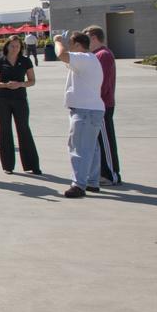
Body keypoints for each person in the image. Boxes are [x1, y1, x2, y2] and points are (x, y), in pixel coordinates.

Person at [55, 30, 106, 198]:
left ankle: (79, 184)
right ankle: (92, 181)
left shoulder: (84, 58)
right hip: (92, 110)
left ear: (78, 45)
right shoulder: (90, 60)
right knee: (91, 148)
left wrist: (57, 40)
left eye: (71, 44)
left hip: (85, 111)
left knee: (79, 147)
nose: (69, 47)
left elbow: (61, 54)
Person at [0, 35, 41, 175]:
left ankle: (32, 165)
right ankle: (8, 165)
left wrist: (21, 84)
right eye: (12, 46)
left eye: (17, 46)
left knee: (24, 129)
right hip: (2, 99)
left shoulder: (25, 61)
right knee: (4, 130)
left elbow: (32, 80)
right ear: (6, 46)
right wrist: (5, 85)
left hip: (20, 99)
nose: (14, 49)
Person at [84, 25, 121, 185]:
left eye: (87, 39)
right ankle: (102, 173)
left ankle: (111, 174)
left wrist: (94, 99)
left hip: (103, 105)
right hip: (96, 105)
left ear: (93, 37)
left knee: (106, 141)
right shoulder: (96, 55)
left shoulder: (103, 55)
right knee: (99, 141)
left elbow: (102, 82)